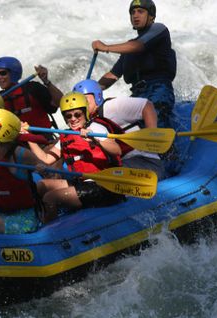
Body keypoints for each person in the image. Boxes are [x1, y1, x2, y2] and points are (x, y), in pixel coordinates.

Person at [25, 92, 125, 222]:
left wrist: (95, 138)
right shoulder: (67, 136)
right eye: (68, 116)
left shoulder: (95, 128)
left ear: (85, 113)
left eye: (77, 114)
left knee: (50, 197)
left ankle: (52, 232)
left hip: (104, 186)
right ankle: (44, 220)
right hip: (82, 183)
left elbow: (117, 150)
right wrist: (28, 137)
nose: (73, 119)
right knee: (41, 185)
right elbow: (46, 159)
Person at [92, 0, 176, 129]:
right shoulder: (129, 47)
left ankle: (168, 148)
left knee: (154, 120)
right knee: (116, 125)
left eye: (141, 12)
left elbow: (138, 46)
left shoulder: (159, 29)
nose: (135, 15)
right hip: (138, 95)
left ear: (151, 16)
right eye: (133, 12)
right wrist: (91, 90)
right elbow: (113, 75)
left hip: (158, 89)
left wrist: (106, 47)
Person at [73, 79, 165, 180]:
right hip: (123, 163)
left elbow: (147, 106)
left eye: (84, 99)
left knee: (101, 178)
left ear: (97, 97)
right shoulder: (85, 120)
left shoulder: (111, 106)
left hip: (146, 161)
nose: (81, 103)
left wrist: (152, 133)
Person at [0, 56, 63, 132]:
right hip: (15, 141)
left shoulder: (33, 88)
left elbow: (60, 102)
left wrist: (46, 82)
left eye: (3, 73)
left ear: (14, 73)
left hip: (42, 139)